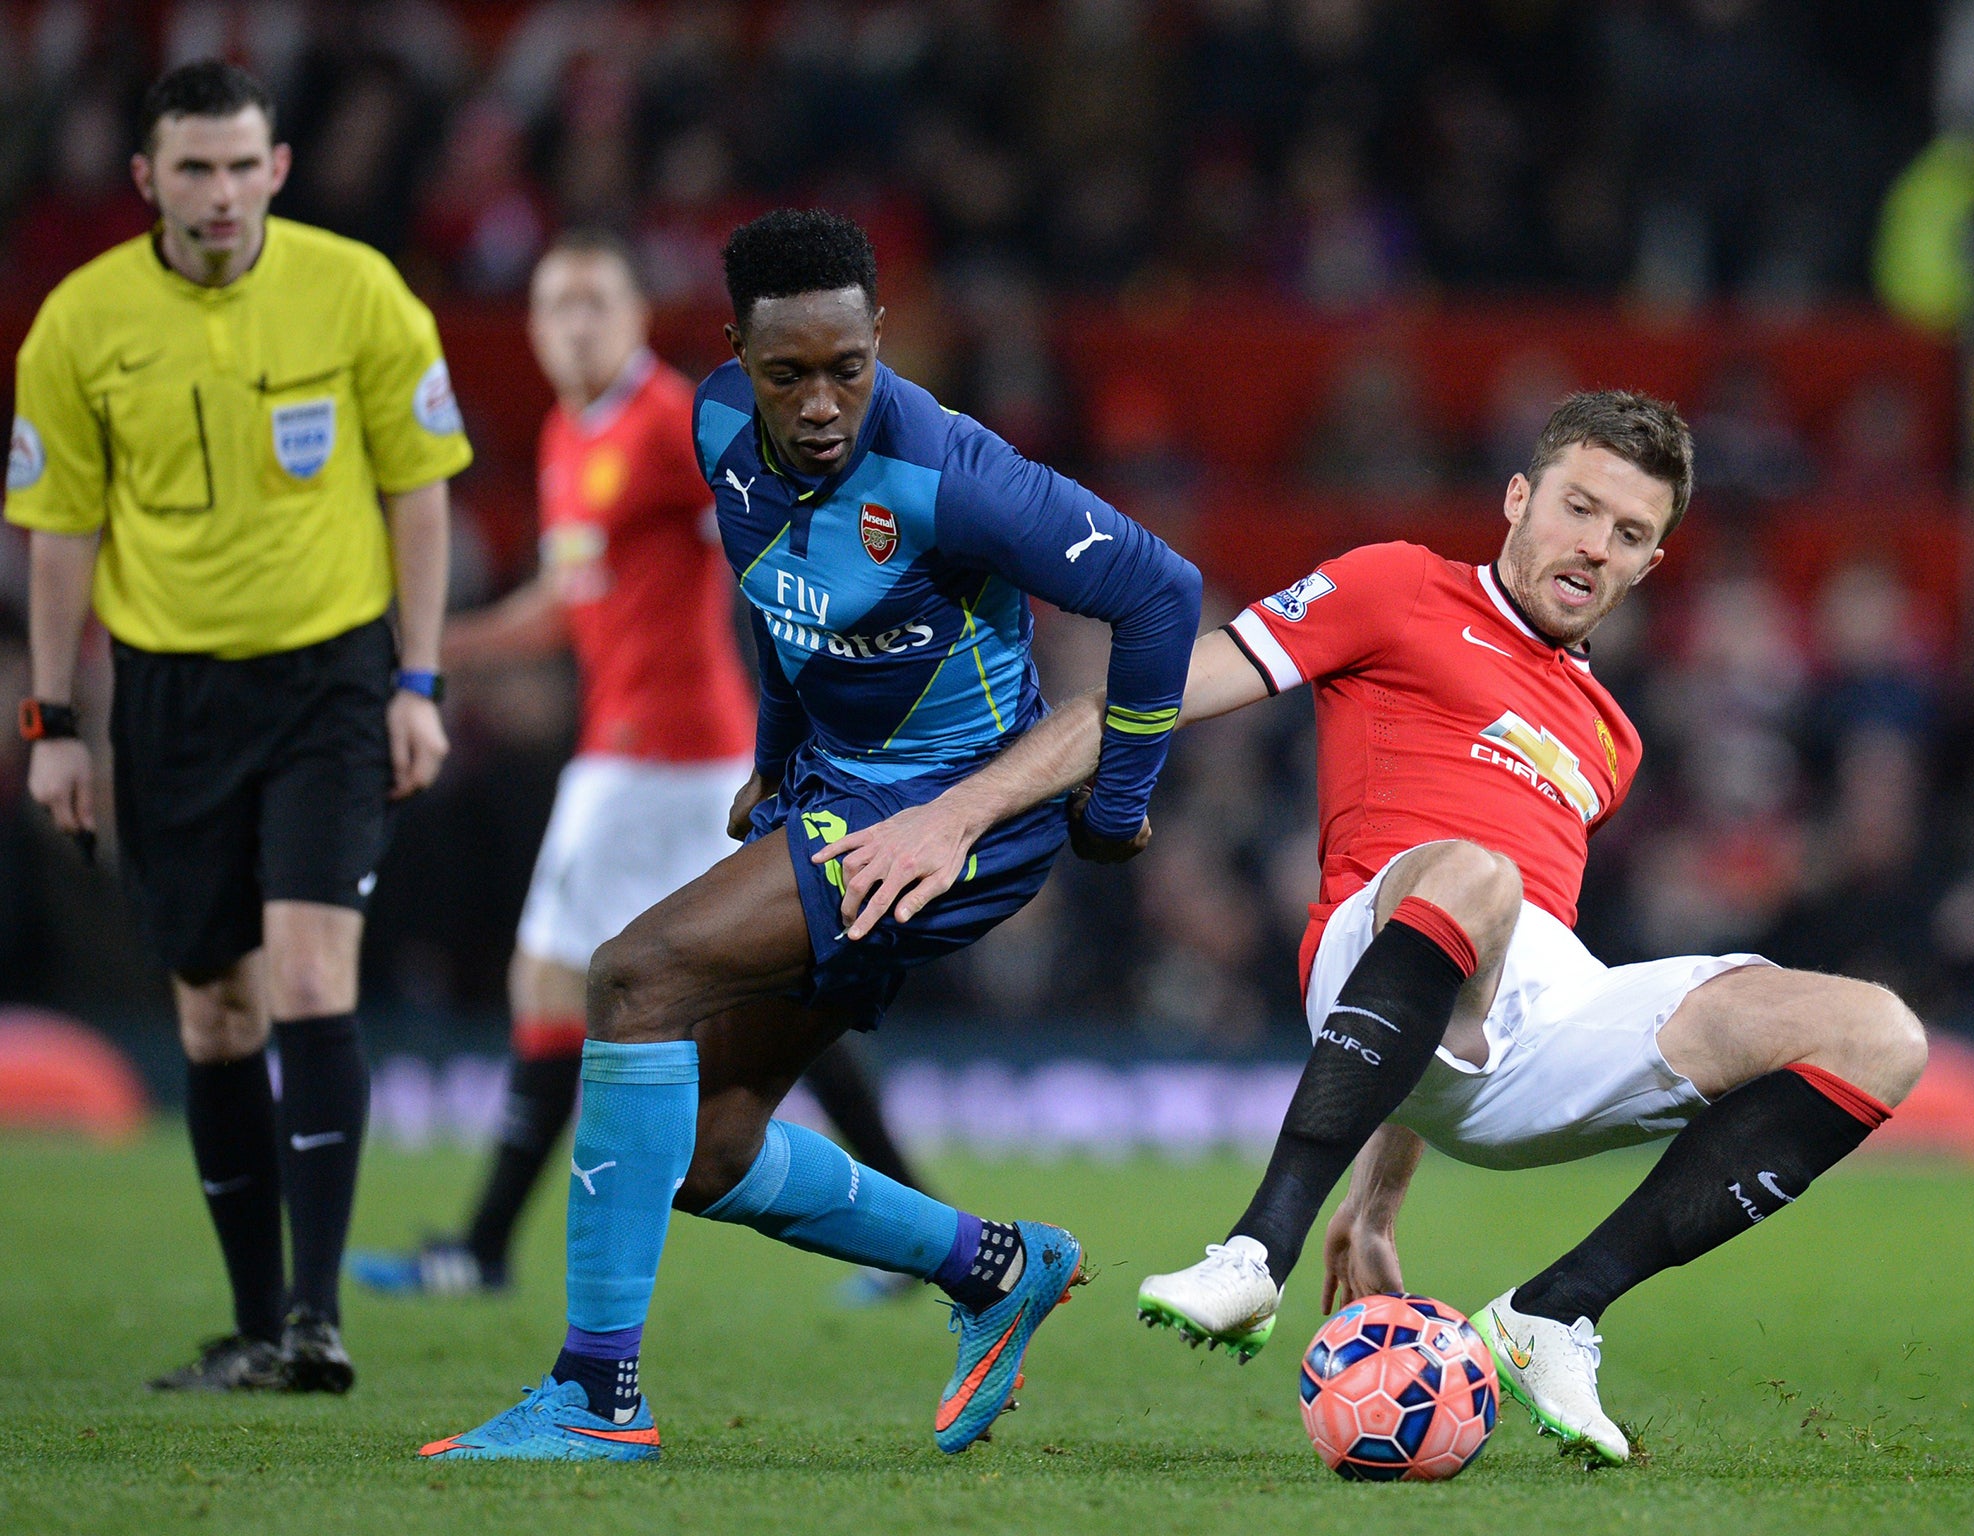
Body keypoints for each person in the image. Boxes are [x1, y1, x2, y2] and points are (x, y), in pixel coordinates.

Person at [830, 390, 1926, 1466]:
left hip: (1522, 1007)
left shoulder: (1609, 738)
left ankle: (1556, 1312)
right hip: (1373, 923)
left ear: (1651, 564)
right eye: (1577, 508)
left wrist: (1380, 1195)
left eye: (1629, 533)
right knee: (1477, 874)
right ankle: (1256, 1248)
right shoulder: (1393, 585)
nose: (1594, 546)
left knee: (1877, 1033)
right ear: (1515, 499)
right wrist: (954, 812)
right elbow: (1146, 692)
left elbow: (1469, 982)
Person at [419, 208, 1202, 1462]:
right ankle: (995, 1266)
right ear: (736, 352)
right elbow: (778, 601)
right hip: (837, 796)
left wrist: (1111, 807)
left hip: (954, 816)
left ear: (881, 338)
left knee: (631, 975)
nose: (823, 401)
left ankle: (594, 1396)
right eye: (789, 373)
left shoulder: (948, 469)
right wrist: (775, 759)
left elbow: (1160, 590)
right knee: (708, 1149)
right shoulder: (717, 427)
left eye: (849, 366)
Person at [347, 228, 940, 1305]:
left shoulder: (670, 422)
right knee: (771, 992)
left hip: (665, 759)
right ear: (529, 327)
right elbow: (561, 609)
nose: (572, 323)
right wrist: (431, 646)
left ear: (630, 319)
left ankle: (481, 1248)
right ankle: (914, 1222)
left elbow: (773, 537)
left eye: (592, 304)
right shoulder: (568, 437)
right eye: (553, 304)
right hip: (629, 754)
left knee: (556, 980)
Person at [8, 61, 471, 1392]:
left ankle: (318, 1321)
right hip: (168, 695)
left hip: (330, 680)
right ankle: (258, 1318)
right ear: (147, 181)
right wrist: (54, 721)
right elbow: (56, 534)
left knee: (313, 980)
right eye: (192, 170)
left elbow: (421, 492)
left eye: (241, 165)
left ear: (277, 167)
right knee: (215, 1015)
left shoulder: (358, 290)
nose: (220, 194)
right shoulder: (81, 323)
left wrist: (420, 681)